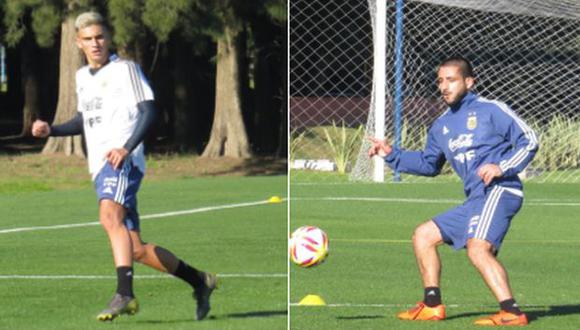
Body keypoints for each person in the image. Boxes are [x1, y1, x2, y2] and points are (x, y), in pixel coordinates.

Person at [31, 12, 217, 322]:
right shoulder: (81, 77)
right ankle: (200, 281)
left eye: (100, 37)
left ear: (109, 38)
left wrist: (126, 147)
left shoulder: (126, 70)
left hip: (123, 162)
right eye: (88, 39)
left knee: (108, 216)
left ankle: (125, 294)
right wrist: (52, 130)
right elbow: (83, 121)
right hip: (99, 167)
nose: (96, 43)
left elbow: (148, 111)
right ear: (78, 43)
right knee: (136, 249)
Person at [368, 56, 538, 326]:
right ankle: (432, 306)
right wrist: (391, 155)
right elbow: (428, 164)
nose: (444, 86)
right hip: (476, 199)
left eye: (451, 80)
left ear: (469, 82)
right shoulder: (441, 126)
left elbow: (529, 139)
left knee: (477, 249)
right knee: (423, 235)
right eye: (440, 81)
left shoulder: (491, 110)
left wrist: (502, 166)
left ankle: (512, 312)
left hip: (501, 190)